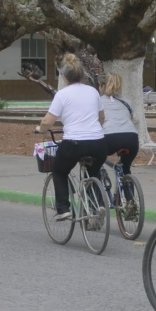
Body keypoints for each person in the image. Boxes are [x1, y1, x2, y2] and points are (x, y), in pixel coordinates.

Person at [35, 53, 107, 221]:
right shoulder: (93, 92)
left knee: (59, 171)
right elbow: (102, 117)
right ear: (82, 74)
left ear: (65, 77)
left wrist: (41, 130)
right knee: (94, 171)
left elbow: (48, 121)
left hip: (74, 143)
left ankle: (63, 208)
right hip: (99, 143)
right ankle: (97, 205)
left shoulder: (62, 95)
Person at [100, 74, 140, 198]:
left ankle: (100, 197)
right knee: (126, 167)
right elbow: (132, 118)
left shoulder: (98, 101)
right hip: (131, 138)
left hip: (110, 138)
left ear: (101, 86)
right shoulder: (126, 102)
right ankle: (130, 201)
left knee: (96, 162)